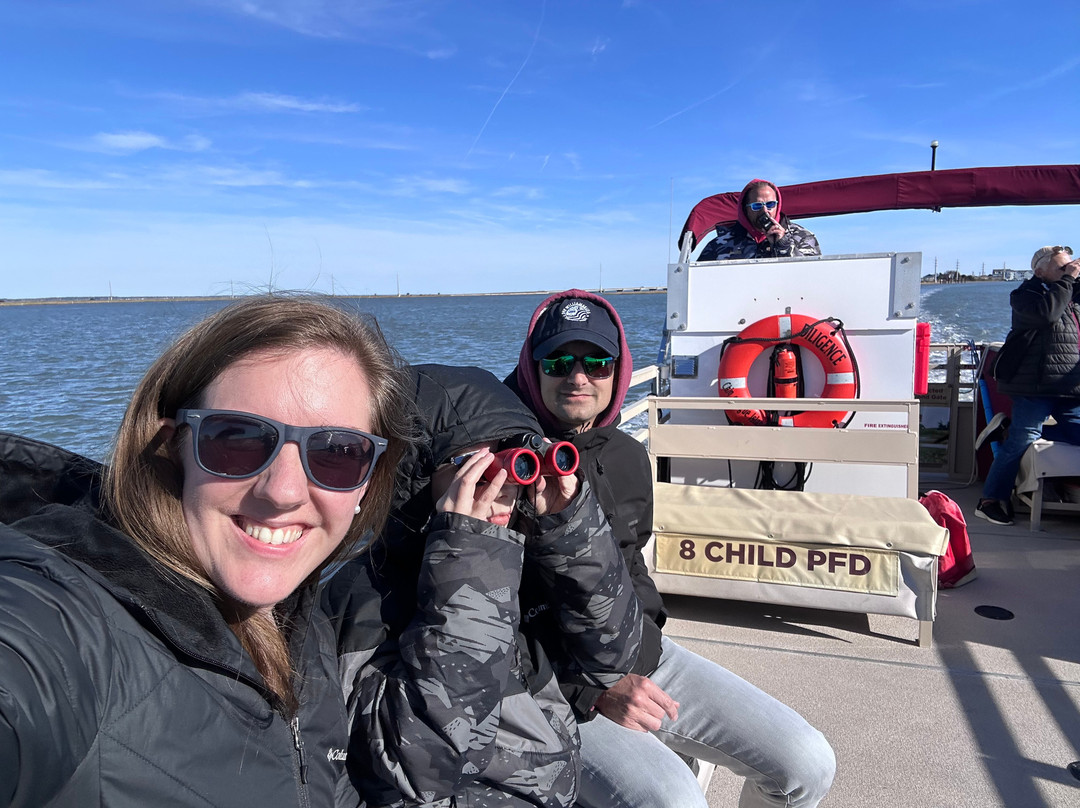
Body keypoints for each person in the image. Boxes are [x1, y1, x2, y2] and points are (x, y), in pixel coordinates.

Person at [0, 295, 414, 806]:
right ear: (173, 450)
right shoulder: (65, 621)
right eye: (237, 439)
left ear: (367, 483)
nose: (283, 491)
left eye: (337, 453)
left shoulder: (299, 623)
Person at [507, 290, 836, 808]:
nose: (578, 376)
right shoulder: (503, 464)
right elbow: (480, 617)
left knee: (807, 764)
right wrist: (591, 690)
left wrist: (642, 646)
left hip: (639, 652)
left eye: (597, 362)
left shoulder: (627, 455)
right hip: (548, 684)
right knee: (673, 800)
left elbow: (632, 561)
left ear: (618, 370)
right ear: (533, 368)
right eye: (558, 362)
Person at [324, 364, 641, 807]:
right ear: (412, 476)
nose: (500, 486)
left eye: (512, 463)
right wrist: (467, 558)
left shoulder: (514, 552)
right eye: (474, 468)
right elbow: (423, 763)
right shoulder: (359, 595)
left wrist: (570, 528)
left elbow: (612, 656)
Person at [976, 245, 1080, 526]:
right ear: (1040, 271)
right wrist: (1068, 280)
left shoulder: (1070, 292)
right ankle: (990, 500)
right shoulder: (1026, 295)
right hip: (1034, 386)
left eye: (1071, 265)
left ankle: (1007, 429)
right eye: (1062, 267)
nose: (1069, 270)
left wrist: (1071, 279)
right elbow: (1047, 315)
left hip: (1069, 387)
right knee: (1023, 439)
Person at [697, 178, 821, 261]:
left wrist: (783, 245)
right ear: (745, 209)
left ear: (778, 206)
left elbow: (812, 276)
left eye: (770, 204)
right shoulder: (720, 244)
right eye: (757, 206)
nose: (765, 211)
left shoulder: (802, 237)